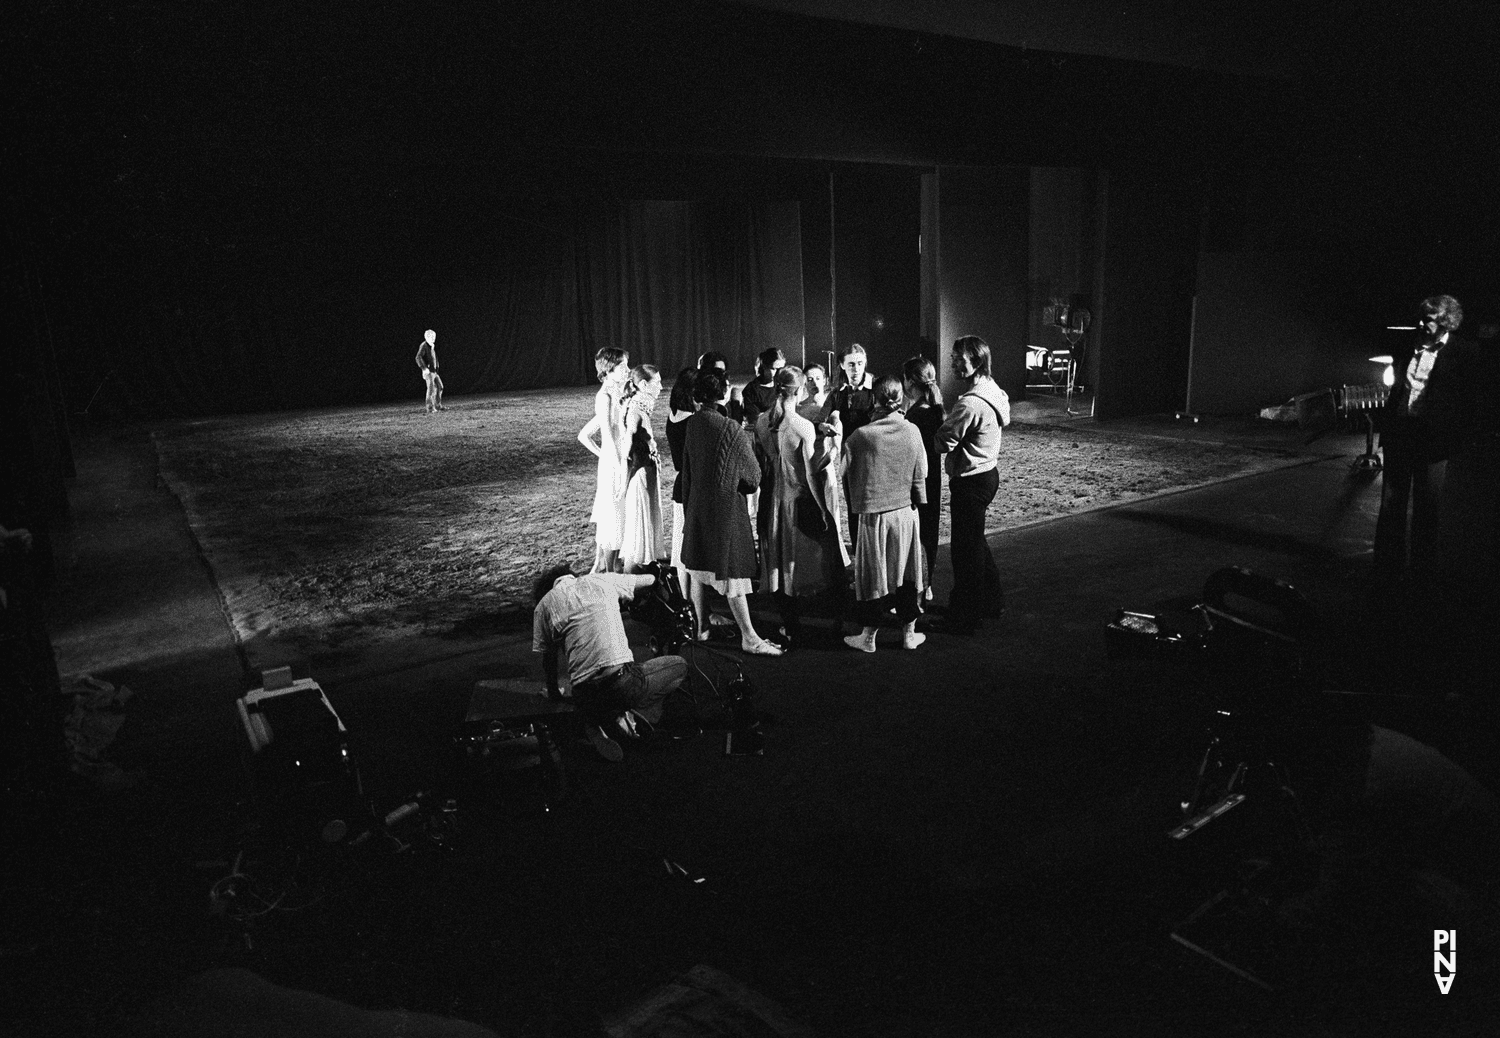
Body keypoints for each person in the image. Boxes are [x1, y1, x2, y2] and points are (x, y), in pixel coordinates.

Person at [532, 562, 687, 761]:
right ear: (572, 575)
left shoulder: (543, 606)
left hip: (583, 693)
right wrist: (655, 572)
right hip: (621, 683)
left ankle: (594, 721)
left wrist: (554, 693)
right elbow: (648, 581)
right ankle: (633, 713)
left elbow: (549, 660)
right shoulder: (601, 580)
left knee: (594, 696)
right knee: (679, 665)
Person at [678, 368, 783, 655]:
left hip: (698, 506)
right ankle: (749, 637)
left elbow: (687, 471)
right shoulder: (730, 428)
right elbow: (753, 478)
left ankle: (702, 627)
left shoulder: (694, 424)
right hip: (725, 511)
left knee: (699, 568)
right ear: (723, 393)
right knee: (734, 575)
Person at [1375, 294, 1475, 586]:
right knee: (1391, 504)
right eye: (1422, 318)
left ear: (1446, 322)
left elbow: (1468, 402)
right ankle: (1386, 569)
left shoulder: (1464, 352)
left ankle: (1422, 573)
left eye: (1430, 320)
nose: (1422, 324)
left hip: (1432, 441)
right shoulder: (1408, 344)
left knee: (1427, 507)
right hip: (1400, 435)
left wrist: (1456, 438)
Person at [840, 375, 928, 652]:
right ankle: (909, 634)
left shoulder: (861, 436)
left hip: (874, 516)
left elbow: (842, 473)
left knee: (872, 577)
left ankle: (868, 637)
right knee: (906, 573)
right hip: (905, 513)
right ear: (900, 399)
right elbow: (922, 471)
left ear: (874, 400)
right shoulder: (912, 430)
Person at [933, 335, 1010, 636]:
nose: (952, 363)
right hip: (988, 474)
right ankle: (992, 602)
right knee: (975, 543)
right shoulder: (993, 391)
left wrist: (933, 422)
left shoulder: (970, 404)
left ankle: (965, 616)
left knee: (964, 554)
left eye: (957, 358)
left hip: (969, 481)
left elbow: (942, 442)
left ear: (975, 362)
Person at [754, 367, 836, 646]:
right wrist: (823, 509)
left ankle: (789, 625)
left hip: (770, 499)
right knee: (797, 561)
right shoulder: (802, 426)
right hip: (793, 500)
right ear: (799, 391)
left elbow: (762, 465)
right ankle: (812, 625)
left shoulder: (762, 422)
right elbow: (811, 475)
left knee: (777, 561)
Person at [578, 347, 632, 573]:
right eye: (622, 366)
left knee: (616, 515)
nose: (628, 370)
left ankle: (602, 564)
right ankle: (609, 571)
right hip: (615, 464)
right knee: (614, 518)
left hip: (616, 460)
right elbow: (608, 438)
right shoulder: (605, 395)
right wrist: (618, 466)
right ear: (608, 370)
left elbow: (584, 434)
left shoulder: (616, 392)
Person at [821, 344, 877, 550]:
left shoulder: (875, 389)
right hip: (849, 456)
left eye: (860, 364)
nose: (856, 369)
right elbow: (824, 416)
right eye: (851, 364)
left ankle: (873, 548)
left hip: (873, 455)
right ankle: (857, 548)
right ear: (842, 366)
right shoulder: (838, 393)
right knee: (853, 505)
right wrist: (826, 424)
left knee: (871, 503)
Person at [902, 355, 945, 602]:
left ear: (909, 382)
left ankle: (919, 586)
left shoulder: (918, 415)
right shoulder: (933, 409)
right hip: (932, 479)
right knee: (930, 530)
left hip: (919, 480)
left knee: (920, 533)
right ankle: (927, 585)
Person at [619, 365, 666, 572]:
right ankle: (632, 579)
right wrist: (623, 482)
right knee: (638, 528)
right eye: (658, 383)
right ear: (644, 385)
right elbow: (626, 450)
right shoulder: (635, 410)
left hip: (646, 471)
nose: (661, 387)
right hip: (640, 475)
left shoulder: (640, 405)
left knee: (644, 522)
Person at [665, 368, 699, 596]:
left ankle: (687, 600)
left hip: (681, 485)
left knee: (680, 547)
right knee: (691, 549)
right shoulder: (694, 422)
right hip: (692, 486)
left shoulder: (673, 415)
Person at [740, 347, 787, 429]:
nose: (779, 373)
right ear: (764, 366)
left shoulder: (782, 385)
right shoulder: (752, 390)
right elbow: (754, 420)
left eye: (781, 369)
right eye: (774, 369)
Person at [415, 329, 444, 413]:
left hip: (434, 371)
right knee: (431, 389)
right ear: (426, 337)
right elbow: (418, 357)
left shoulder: (431, 346)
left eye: (434, 336)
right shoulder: (424, 345)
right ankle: (430, 408)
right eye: (431, 336)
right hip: (429, 372)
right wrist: (424, 369)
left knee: (440, 387)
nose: (433, 338)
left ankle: (438, 406)